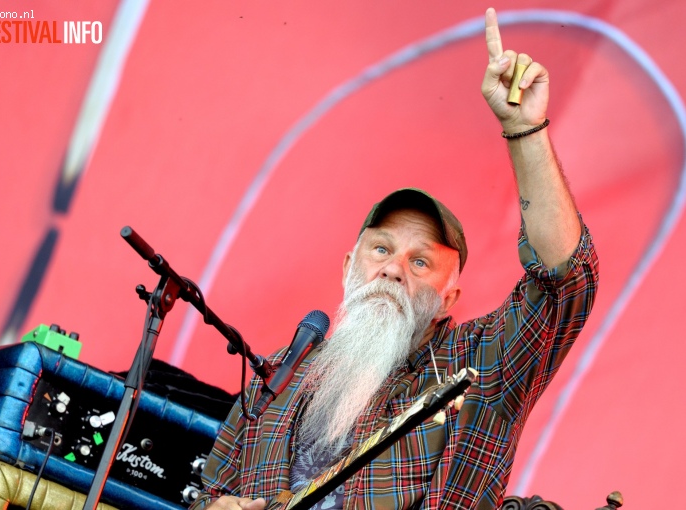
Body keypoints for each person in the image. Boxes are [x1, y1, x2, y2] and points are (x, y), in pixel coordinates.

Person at [190, 7, 599, 510]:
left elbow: (565, 283)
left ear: (450, 296)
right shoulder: (281, 372)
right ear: (348, 267)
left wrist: (524, 130)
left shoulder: (479, 368)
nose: (393, 268)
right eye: (381, 249)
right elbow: (209, 491)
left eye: (421, 262)